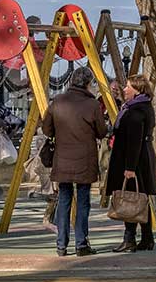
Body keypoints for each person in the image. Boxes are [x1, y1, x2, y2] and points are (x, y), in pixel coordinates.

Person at [44, 68, 110, 256]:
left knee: (64, 199)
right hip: (85, 159)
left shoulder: (58, 101)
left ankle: (61, 244)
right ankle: (81, 243)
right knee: (83, 201)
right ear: (88, 83)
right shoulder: (92, 104)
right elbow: (101, 132)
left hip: (63, 158)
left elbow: (47, 129)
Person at [106, 76, 156, 252]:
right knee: (140, 197)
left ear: (137, 90)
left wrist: (130, 167)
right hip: (140, 158)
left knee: (130, 197)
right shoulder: (140, 107)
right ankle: (147, 237)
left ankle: (129, 238)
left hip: (135, 160)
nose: (124, 89)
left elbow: (135, 140)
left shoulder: (136, 111)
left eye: (128, 86)